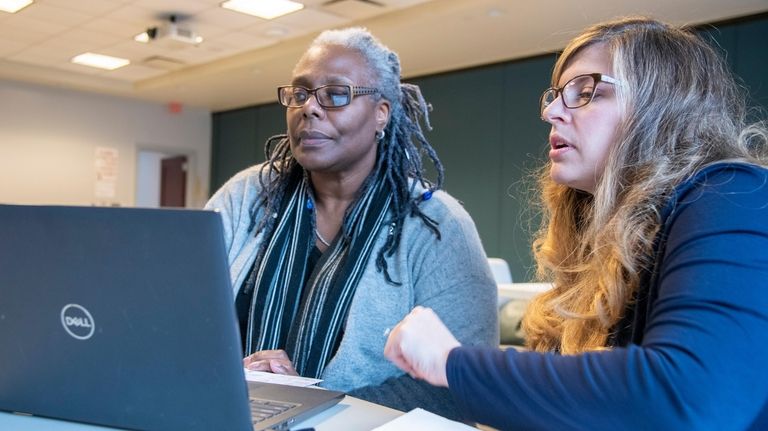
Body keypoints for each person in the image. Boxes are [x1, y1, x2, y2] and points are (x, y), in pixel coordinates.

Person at [384, 16, 768, 430]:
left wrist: (453, 363)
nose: (551, 112)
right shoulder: (595, 228)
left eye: (586, 92)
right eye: (555, 96)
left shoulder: (733, 193)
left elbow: (690, 400)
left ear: (662, 105)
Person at [205, 27, 498, 418]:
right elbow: (178, 315)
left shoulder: (436, 225)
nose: (309, 107)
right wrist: (232, 374)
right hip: (226, 415)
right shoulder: (247, 196)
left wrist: (310, 409)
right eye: (300, 93)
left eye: (335, 94)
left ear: (381, 114)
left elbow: (461, 385)